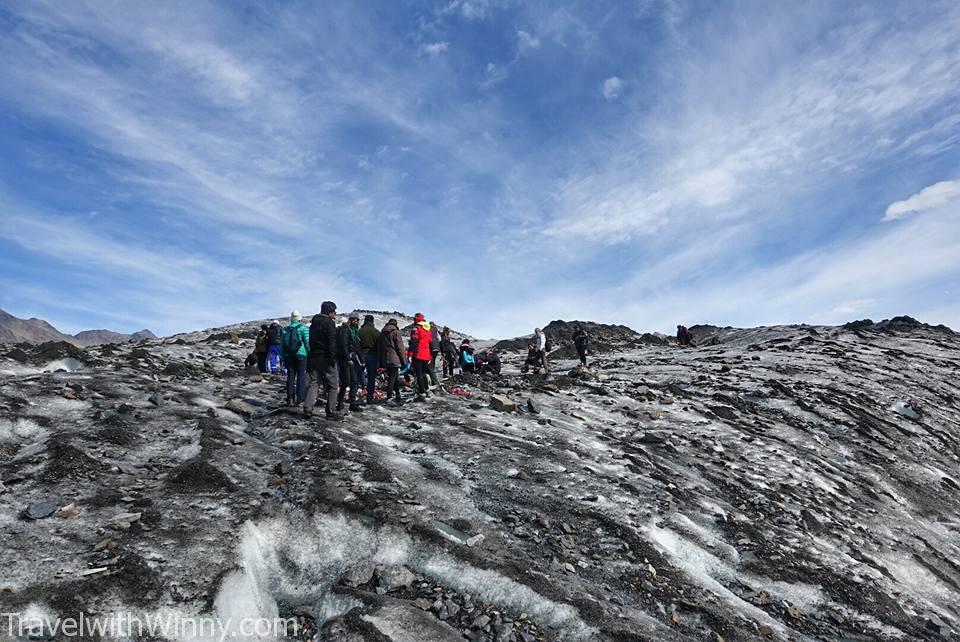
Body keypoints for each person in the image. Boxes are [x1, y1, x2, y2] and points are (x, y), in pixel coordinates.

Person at [304, 301, 340, 420]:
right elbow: (332, 342)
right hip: (326, 356)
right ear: (329, 311)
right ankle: (330, 412)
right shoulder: (329, 323)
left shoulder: (313, 323)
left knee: (314, 383)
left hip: (314, 356)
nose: (335, 313)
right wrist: (332, 358)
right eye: (334, 310)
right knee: (333, 385)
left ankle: (307, 409)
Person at [280, 311, 309, 406]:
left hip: (289, 356)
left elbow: (282, 346)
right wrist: (310, 354)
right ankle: (300, 399)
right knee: (301, 376)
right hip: (301, 354)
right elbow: (307, 343)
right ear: (300, 319)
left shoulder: (284, 330)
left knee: (290, 376)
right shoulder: (303, 328)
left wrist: (283, 357)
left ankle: (290, 399)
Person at [336, 313, 364, 413]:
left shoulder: (354, 331)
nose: (357, 322)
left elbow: (357, 346)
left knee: (354, 381)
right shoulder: (346, 330)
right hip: (346, 359)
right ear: (352, 320)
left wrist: (361, 359)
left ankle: (352, 403)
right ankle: (339, 403)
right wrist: (348, 358)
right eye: (356, 320)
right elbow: (344, 345)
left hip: (351, 358)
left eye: (357, 320)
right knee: (346, 381)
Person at [377, 318, 406, 405]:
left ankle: (397, 394)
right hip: (394, 358)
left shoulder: (382, 334)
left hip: (385, 359)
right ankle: (389, 397)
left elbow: (379, 348)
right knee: (393, 378)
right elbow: (400, 348)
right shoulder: (396, 332)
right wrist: (403, 360)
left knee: (393, 377)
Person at [409, 313, 434, 400]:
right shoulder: (428, 329)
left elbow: (414, 342)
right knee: (423, 373)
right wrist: (430, 356)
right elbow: (431, 343)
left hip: (418, 354)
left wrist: (410, 354)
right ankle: (427, 390)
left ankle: (422, 392)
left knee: (419, 373)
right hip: (426, 355)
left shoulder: (416, 329)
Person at [358, 314, 380, 403]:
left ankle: (359, 390)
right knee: (371, 377)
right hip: (373, 355)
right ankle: (369, 396)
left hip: (361, 355)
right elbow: (379, 346)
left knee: (358, 374)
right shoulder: (376, 332)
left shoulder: (360, 331)